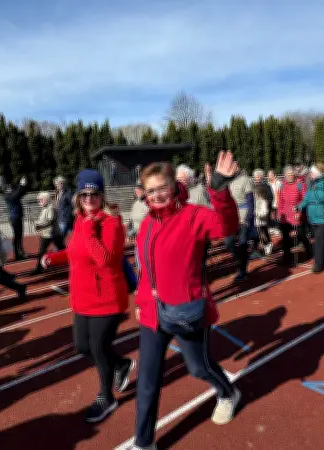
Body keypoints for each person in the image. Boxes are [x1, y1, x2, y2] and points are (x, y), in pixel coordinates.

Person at [132, 152, 241, 450]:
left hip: (186, 312)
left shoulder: (193, 215)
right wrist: (142, 300)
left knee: (198, 367)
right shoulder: (146, 224)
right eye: (150, 190)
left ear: (173, 185)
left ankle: (227, 392)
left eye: (161, 188)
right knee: (147, 380)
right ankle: (144, 443)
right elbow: (146, 270)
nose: (156, 195)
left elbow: (227, 226)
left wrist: (218, 189)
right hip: (153, 315)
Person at [41, 169, 134, 424]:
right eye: (84, 194)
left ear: (101, 195)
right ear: (78, 197)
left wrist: (92, 229)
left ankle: (107, 397)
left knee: (98, 347)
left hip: (107, 299)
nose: (89, 199)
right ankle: (120, 364)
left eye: (94, 194)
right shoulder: (80, 220)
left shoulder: (111, 222)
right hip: (82, 297)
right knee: (82, 347)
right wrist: (53, 258)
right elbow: (74, 251)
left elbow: (105, 260)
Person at [297, 163, 324, 272]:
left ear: (317, 173)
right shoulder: (311, 184)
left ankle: (318, 264)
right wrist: (299, 207)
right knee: (320, 239)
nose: (309, 174)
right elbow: (306, 199)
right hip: (312, 217)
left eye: (311, 172)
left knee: (318, 240)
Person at [277, 165, 311, 266]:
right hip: (285, 215)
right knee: (286, 238)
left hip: (296, 213)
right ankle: (286, 259)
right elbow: (280, 201)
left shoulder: (300, 184)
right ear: (285, 175)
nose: (290, 176)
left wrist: (299, 212)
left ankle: (309, 250)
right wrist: (279, 213)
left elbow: (304, 200)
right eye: (288, 174)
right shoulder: (282, 185)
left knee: (301, 235)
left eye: (292, 174)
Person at [227, 169, 254, 281]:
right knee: (228, 242)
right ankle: (241, 260)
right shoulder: (227, 181)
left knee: (242, 243)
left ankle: (243, 271)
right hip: (230, 217)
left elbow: (250, 200)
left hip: (243, 217)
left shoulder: (245, 180)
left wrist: (247, 218)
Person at [32, 192, 64, 273]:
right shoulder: (45, 207)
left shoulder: (50, 207)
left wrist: (40, 226)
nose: (39, 202)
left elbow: (50, 220)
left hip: (52, 234)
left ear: (46, 199)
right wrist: (38, 224)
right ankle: (38, 268)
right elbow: (44, 219)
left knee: (43, 251)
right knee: (61, 249)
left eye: (41, 200)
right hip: (48, 233)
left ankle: (38, 269)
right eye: (39, 200)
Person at [1, 176, 29, 260]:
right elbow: (16, 194)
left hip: (17, 216)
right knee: (17, 236)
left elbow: (21, 193)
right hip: (14, 217)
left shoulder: (10, 193)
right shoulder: (8, 195)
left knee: (19, 236)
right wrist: (21, 185)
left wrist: (23, 186)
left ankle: (19, 253)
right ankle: (18, 254)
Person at [127, 182, 149, 269]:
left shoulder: (148, 203)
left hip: (146, 237)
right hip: (137, 237)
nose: (137, 193)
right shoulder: (135, 203)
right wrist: (129, 232)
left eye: (139, 191)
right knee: (138, 261)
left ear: (144, 191)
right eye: (136, 191)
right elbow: (131, 220)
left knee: (146, 261)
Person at [253, 184, 273, 256]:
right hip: (257, 221)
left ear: (260, 193)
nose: (254, 195)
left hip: (262, 221)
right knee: (258, 235)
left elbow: (265, 212)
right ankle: (262, 247)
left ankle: (268, 245)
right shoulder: (255, 201)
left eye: (255, 193)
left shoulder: (264, 201)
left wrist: (257, 214)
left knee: (263, 234)